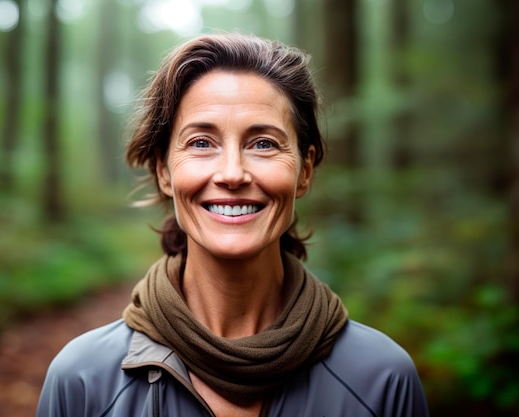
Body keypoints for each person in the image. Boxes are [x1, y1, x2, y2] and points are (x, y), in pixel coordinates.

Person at [36, 32, 430, 417]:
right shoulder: (82, 381)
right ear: (164, 171)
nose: (232, 173)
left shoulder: (381, 379)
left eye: (263, 144)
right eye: (201, 143)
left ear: (305, 170)